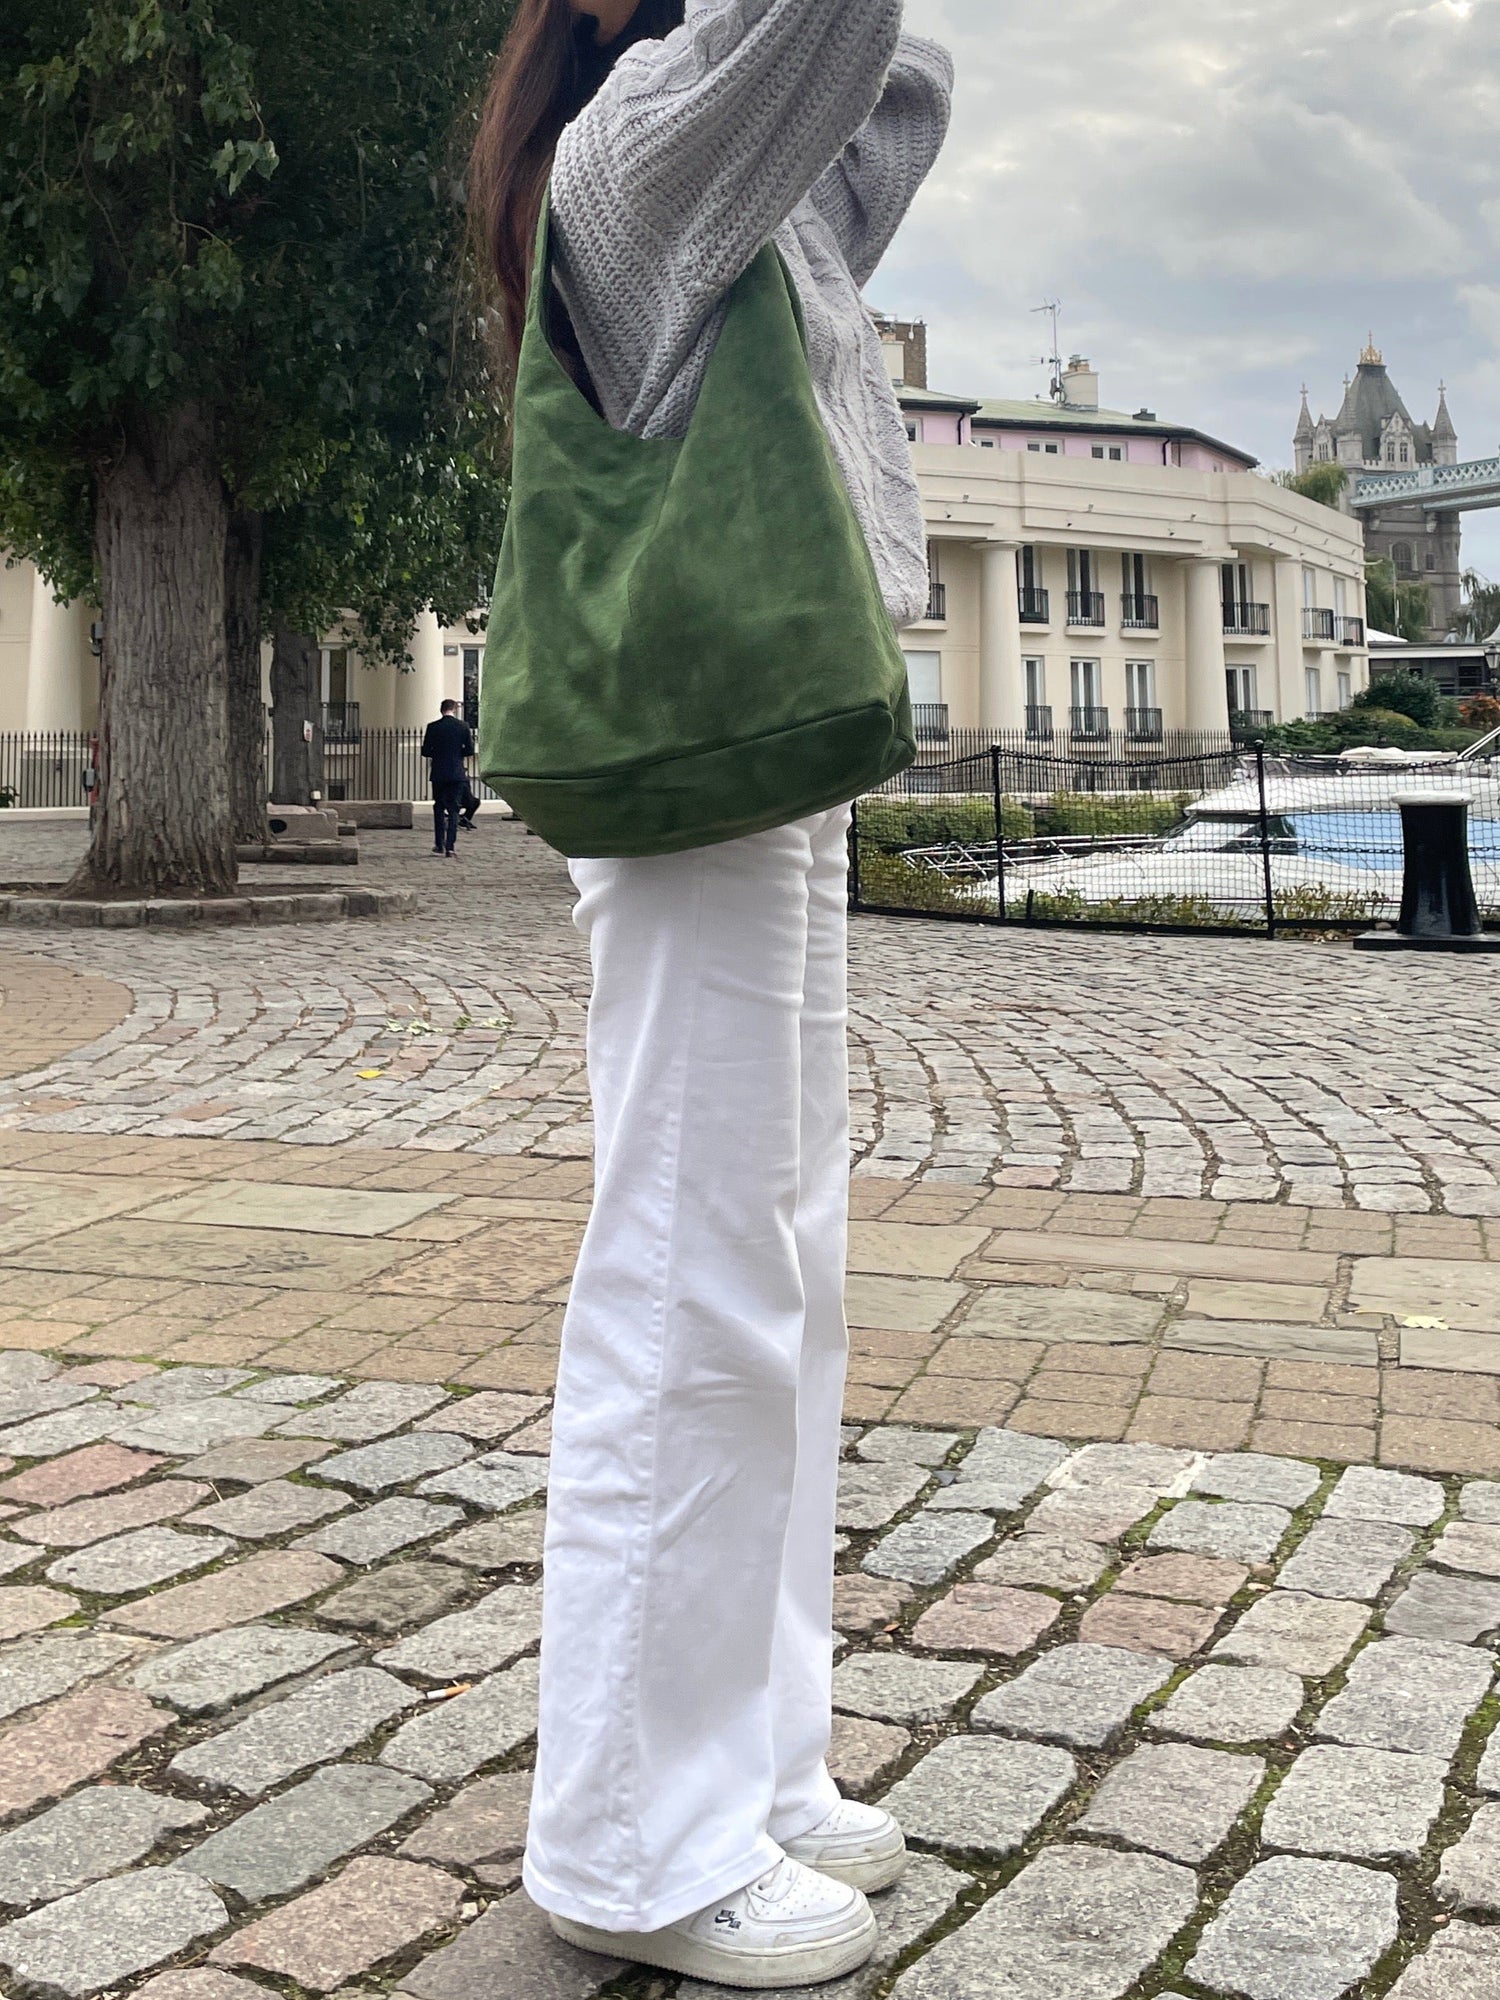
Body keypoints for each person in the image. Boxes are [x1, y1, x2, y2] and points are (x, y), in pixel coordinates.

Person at [471, 0, 950, 1986]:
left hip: (777, 732)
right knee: (691, 1268)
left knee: (783, 1269)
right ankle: (630, 1841)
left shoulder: (744, 176)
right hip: (701, 744)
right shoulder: (642, 150)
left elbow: (890, 93)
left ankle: (750, 1764)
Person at [420, 699, 475, 855]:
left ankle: (439, 844)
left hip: (438, 773)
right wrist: (457, 754)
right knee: (454, 809)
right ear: (454, 709)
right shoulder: (463, 726)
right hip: (456, 773)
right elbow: (469, 750)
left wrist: (438, 754)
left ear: (441, 710)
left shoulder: (433, 727)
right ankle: (450, 847)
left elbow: (425, 751)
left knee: (438, 807)